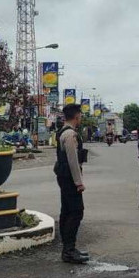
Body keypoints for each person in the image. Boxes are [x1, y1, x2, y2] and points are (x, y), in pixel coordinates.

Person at [53, 104, 89, 264]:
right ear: (76, 116)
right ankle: (68, 250)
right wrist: (79, 182)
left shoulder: (63, 131)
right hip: (69, 177)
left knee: (67, 211)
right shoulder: (69, 135)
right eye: (80, 115)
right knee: (76, 212)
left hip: (64, 176)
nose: (81, 117)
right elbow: (73, 161)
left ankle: (68, 249)